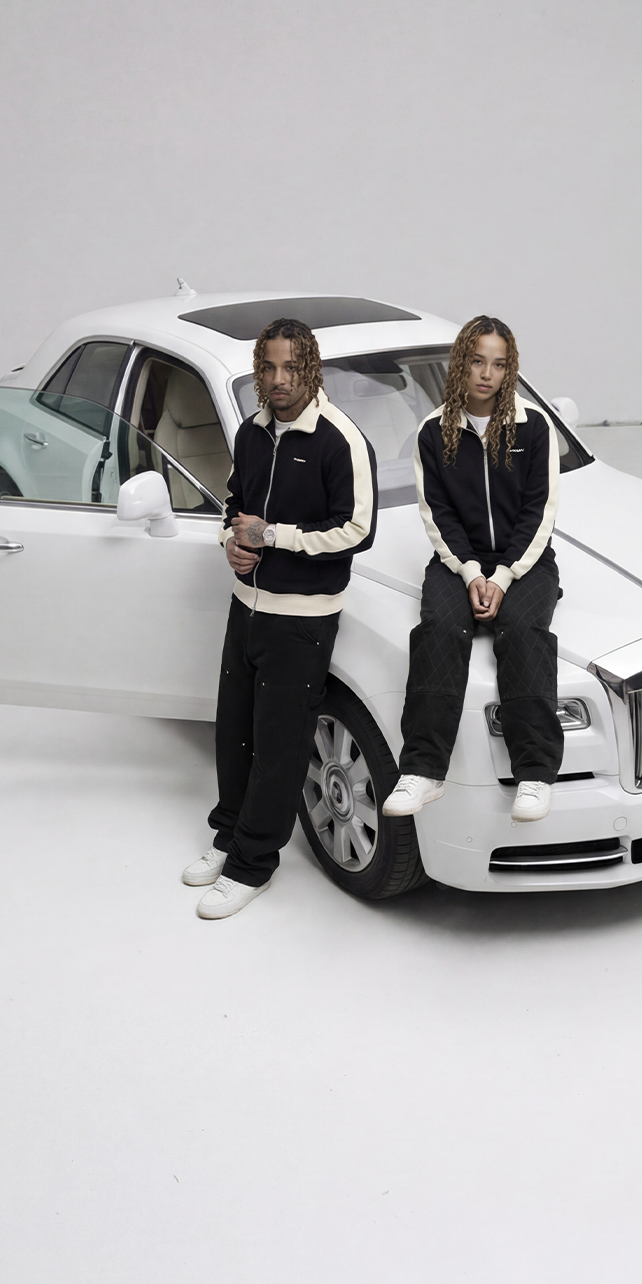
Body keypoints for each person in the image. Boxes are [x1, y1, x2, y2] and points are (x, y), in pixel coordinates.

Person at [181, 318, 377, 919]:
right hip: (246, 608)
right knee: (233, 731)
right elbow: (234, 504)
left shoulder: (340, 439)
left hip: (302, 619)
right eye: (268, 367)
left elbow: (357, 530)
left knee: (279, 744)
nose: (279, 379)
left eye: (292, 367)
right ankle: (229, 836)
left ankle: (253, 865)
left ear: (311, 368)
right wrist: (230, 542)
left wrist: (273, 537)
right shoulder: (251, 432)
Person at [381, 316, 562, 826]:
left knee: (521, 630)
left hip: (525, 560)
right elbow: (437, 515)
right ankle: (422, 771)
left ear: (510, 370)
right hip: (457, 560)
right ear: (460, 363)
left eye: (499, 364)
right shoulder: (433, 432)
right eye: (478, 361)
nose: (487, 374)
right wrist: (470, 573)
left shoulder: (534, 426)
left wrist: (501, 577)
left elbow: (539, 512)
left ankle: (535, 774)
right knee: (440, 628)